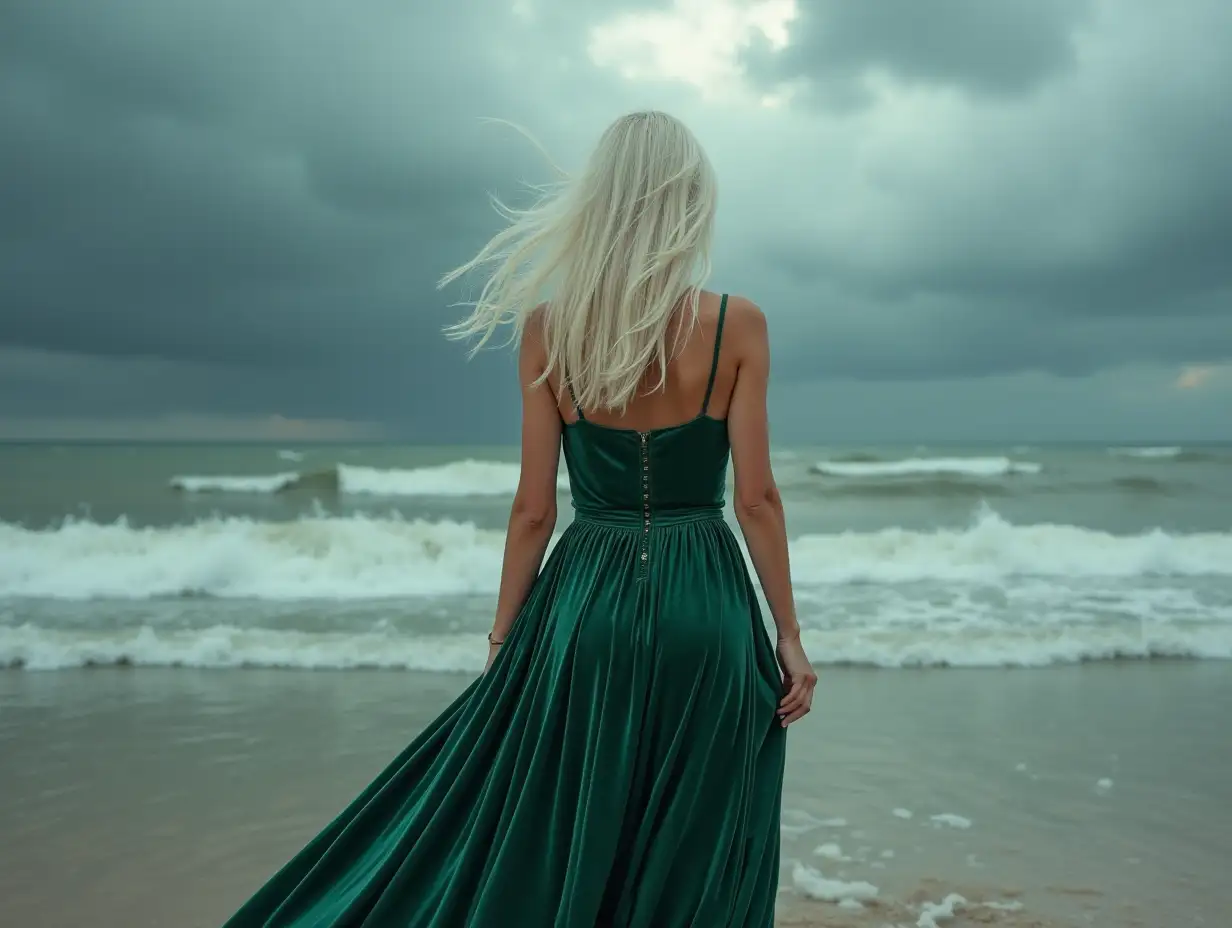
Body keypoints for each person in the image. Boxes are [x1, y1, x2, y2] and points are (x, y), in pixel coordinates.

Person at [221, 110, 816, 928]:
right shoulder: (738, 325)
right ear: (688, 203)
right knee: (696, 834)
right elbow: (757, 500)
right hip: (707, 607)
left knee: (575, 820)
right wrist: (788, 634)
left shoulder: (549, 330)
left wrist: (505, 638)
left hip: (585, 608)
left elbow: (535, 507)